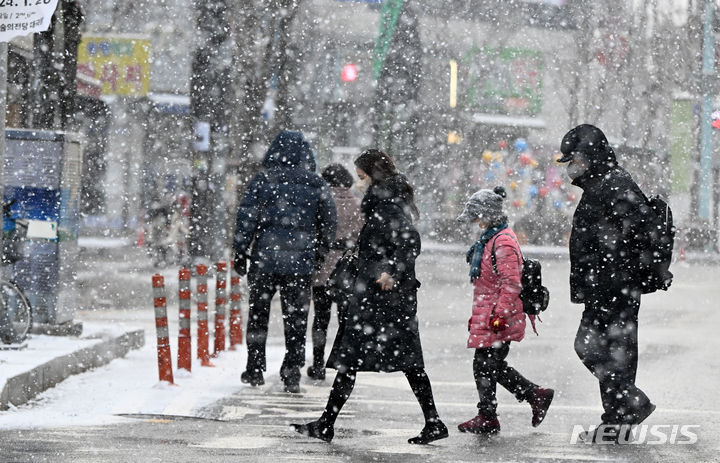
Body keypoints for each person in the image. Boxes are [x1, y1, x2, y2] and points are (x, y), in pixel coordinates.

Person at [291, 149, 448, 445]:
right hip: (381, 299)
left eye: (361, 176)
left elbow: (410, 241)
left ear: (371, 175)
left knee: (375, 360)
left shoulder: (386, 202)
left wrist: (391, 272)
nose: (358, 183)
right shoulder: (385, 200)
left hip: (384, 299)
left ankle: (432, 421)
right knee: (369, 361)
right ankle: (328, 422)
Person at [558, 124, 656, 441]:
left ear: (591, 157)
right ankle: (617, 419)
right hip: (606, 287)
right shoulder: (602, 184)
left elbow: (642, 232)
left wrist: (616, 270)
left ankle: (629, 403)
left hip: (614, 289)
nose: (572, 167)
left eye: (576, 159)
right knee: (613, 353)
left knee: (592, 347)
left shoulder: (615, 185)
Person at [232, 130, 337, 393]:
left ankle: (255, 367)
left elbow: (246, 219)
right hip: (301, 262)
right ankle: (292, 371)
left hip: (264, 259)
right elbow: (328, 223)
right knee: (297, 319)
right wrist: (319, 253)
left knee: (258, 314)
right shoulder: (315, 184)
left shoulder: (262, 181)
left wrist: (240, 251)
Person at [455, 186, 554, 436]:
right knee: (489, 365)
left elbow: (511, 283)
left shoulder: (503, 241)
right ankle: (529, 397)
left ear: (488, 215)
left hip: (500, 315)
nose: (475, 222)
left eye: (477, 216)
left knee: (486, 365)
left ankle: (492, 414)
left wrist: (499, 314)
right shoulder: (490, 238)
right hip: (489, 311)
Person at [307, 164, 364, 381]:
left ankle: (318, 364)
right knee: (345, 320)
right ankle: (343, 362)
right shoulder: (358, 205)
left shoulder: (320, 202)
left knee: (320, 319)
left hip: (322, 268)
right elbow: (362, 239)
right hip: (346, 271)